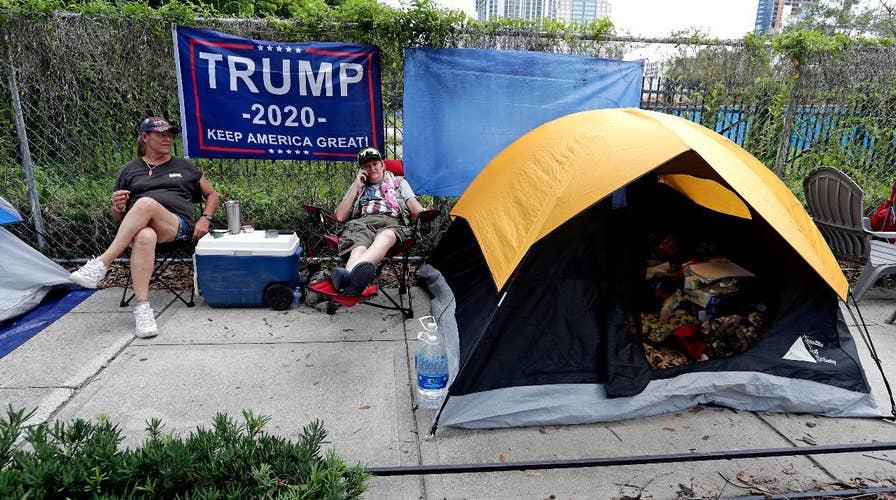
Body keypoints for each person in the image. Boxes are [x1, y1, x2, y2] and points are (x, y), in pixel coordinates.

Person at [69, 117, 220, 338]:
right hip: (140, 230)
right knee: (144, 236)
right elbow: (118, 217)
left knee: (145, 203)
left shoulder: (185, 167)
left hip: (176, 227)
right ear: (145, 137)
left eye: (169, 134)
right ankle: (143, 309)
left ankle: (102, 262)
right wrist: (117, 207)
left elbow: (212, 194)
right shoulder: (128, 170)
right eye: (161, 134)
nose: (167, 138)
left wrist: (205, 218)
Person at [330, 147, 425, 296]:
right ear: (362, 170)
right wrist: (356, 186)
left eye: (375, 164)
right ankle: (354, 282)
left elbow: (413, 204)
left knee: (387, 236)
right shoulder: (358, 186)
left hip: (391, 223)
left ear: (383, 165)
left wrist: (424, 214)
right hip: (362, 224)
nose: (372, 168)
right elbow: (341, 217)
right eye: (366, 166)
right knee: (359, 249)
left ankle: (346, 279)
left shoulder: (399, 182)